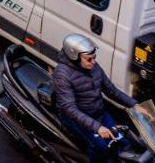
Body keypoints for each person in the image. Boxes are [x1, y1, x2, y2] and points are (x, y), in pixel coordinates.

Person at [52, 34, 137, 162]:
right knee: (101, 146)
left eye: (94, 57)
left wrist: (134, 105)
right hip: (76, 119)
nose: (93, 62)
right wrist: (97, 127)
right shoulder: (62, 74)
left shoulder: (93, 67)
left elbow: (111, 90)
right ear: (74, 58)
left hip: (98, 113)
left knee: (121, 140)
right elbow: (69, 108)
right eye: (88, 59)